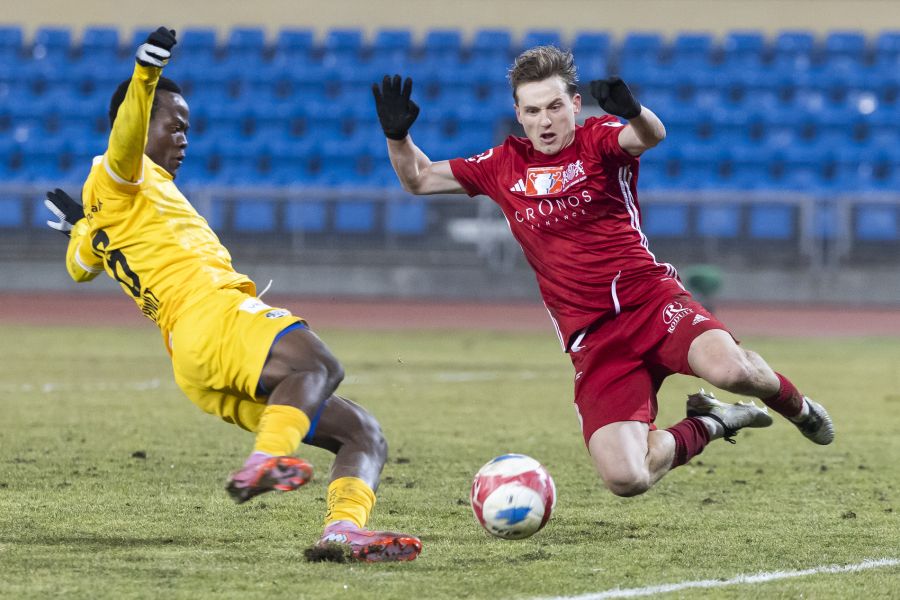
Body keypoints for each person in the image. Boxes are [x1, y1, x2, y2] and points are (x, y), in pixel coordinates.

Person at [372, 46, 834, 498]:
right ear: (518, 113)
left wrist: (634, 111)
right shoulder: (502, 165)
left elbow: (649, 136)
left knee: (731, 369)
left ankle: (796, 406)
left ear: (575, 104)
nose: (546, 120)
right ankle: (716, 421)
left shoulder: (598, 141)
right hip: (593, 338)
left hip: (651, 301)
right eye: (533, 110)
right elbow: (419, 178)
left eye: (555, 106)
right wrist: (398, 137)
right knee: (626, 478)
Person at [44, 27, 421, 562]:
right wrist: (145, 72)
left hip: (193, 363)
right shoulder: (119, 172)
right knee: (318, 363)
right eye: (175, 127)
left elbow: (80, 267)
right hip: (213, 317)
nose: (184, 140)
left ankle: (341, 531)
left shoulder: (108, 216)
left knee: (362, 432)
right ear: (139, 119)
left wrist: (81, 230)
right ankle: (267, 458)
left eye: (188, 131)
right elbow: (125, 137)